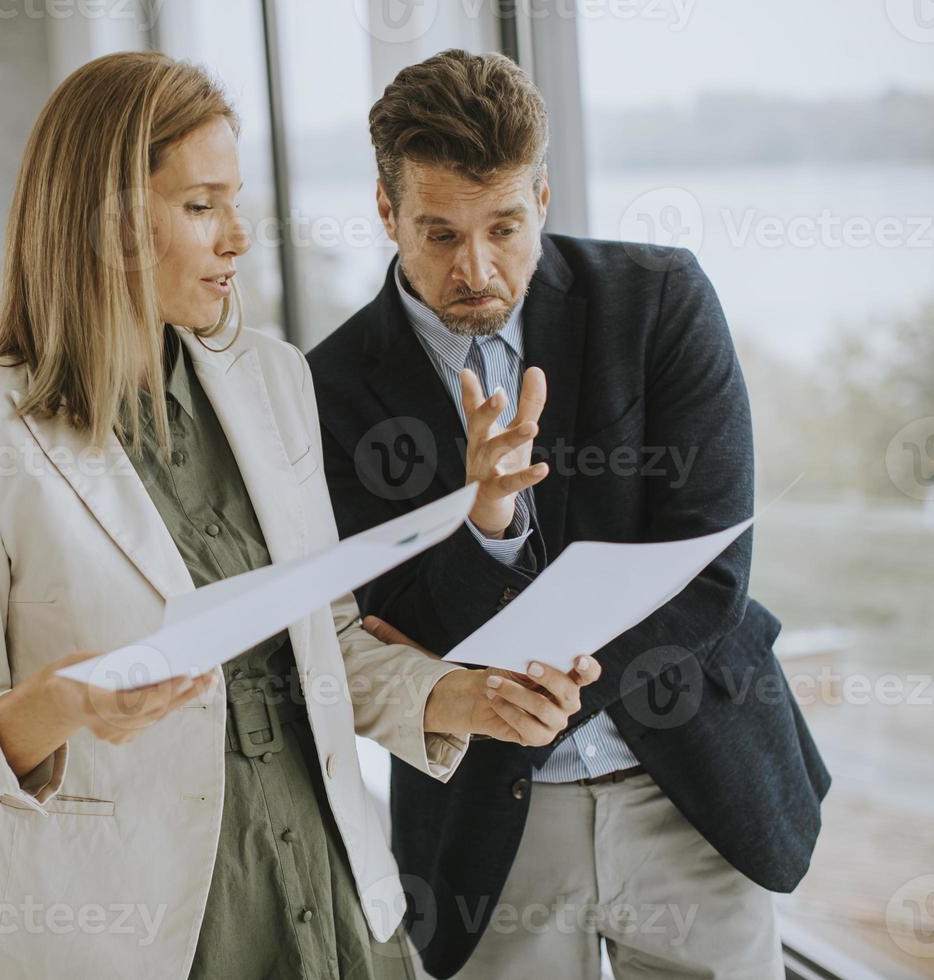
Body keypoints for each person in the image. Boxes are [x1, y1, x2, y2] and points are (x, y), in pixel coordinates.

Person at [0, 52, 601, 979]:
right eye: (202, 207)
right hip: (150, 931)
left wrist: (463, 695)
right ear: (106, 224)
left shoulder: (273, 379)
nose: (238, 237)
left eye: (237, 201)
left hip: (331, 888)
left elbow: (327, 642)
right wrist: (63, 702)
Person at [307, 49, 831, 979]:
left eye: (505, 226)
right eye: (439, 234)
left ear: (543, 197)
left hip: (692, 793)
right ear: (386, 213)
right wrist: (488, 526)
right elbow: (395, 622)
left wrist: (544, 674)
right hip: (484, 828)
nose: (477, 269)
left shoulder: (659, 300)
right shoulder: (331, 388)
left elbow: (709, 570)